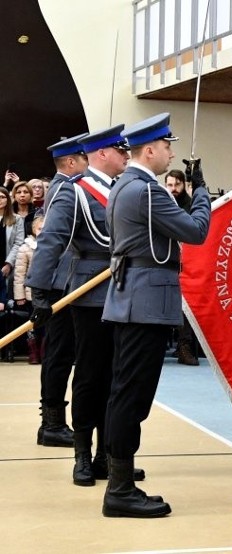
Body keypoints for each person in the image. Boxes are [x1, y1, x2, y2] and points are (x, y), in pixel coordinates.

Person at [100, 113, 210, 517]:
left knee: (126, 393)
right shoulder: (146, 191)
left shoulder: (124, 185)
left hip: (132, 299)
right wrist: (200, 191)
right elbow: (196, 231)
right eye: (167, 147)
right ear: (150, 149)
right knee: (132, 397)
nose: (171, 153)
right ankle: (120, 490)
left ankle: (120, 481)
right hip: (145, 303)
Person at [29, 125, 137, 488]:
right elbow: (52, 241)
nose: (127, 156)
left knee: (118, 379)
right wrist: (41, 291)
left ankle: (110, 454)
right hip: (89, 296)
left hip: (125, 291)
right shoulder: (74, 193)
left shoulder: (127, 190)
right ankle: (82, 455)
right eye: (121, 151)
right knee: (90, 376)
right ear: (102, 154)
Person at [34, 133, 88, 448]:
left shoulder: (66, 187)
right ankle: (51, 424)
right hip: (60, 285)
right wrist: (40, 292)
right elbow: (51, 240)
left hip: (65, 283)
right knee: (58, 353)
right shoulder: (66, 189)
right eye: (83, 159)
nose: (87, 163)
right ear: (70, 162)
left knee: (62, 353)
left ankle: (52, 422)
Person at [163, 169, 199, 365]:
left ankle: (184, 347)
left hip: (189, 263)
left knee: (186, 307)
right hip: (164, 261)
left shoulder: (191, 205)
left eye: (177, 184)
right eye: (170, 185)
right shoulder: (161, 201)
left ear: (184, 185)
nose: (173, 189)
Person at [14, 212, 45, 364]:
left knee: (46, 325)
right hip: (30, 294)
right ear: (33, 230)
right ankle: (33, 351)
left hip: (47, 293)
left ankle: (44, 351)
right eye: (39, 229)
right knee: (32, 324)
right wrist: (19, 295)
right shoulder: (25, 248)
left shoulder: (52, 246)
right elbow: (19, 274)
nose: (42, 232)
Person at [0, 186, 25, 361]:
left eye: (2, 196)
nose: (0, 199)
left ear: (8, 200)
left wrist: (9, 263)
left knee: (6, 306)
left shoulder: (16, 220)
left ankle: (9, 349)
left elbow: (18, 243)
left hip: (8, 266)